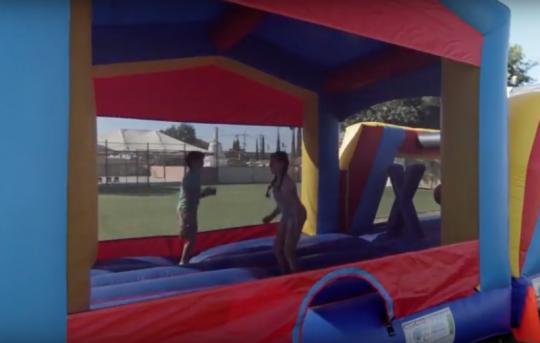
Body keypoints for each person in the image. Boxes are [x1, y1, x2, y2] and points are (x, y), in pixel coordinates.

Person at [262, 151, 307, 274]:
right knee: (277, 249)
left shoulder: (286, 183)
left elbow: (294, 208)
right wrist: (271, 216)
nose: (270, 165)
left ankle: (296, 277)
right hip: (288, 214)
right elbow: (283, 206)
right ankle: (284, 273)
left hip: (296, 215)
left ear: (281, 164)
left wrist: (293, 226)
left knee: (288, 250)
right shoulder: (277, 181)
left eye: (273, 163)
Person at [177, 151, 216, 265]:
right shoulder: (190, 177)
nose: (203, 163)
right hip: (187, 209)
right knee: (190, 238)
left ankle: (185, 260)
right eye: (200, 160)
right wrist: (183, 221)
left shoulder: (195, 175)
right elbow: (188, 197)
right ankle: (183, 262)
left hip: (190, 208)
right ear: (193, 162)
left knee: (191, 237)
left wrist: (206, 193)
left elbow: (194, 196)